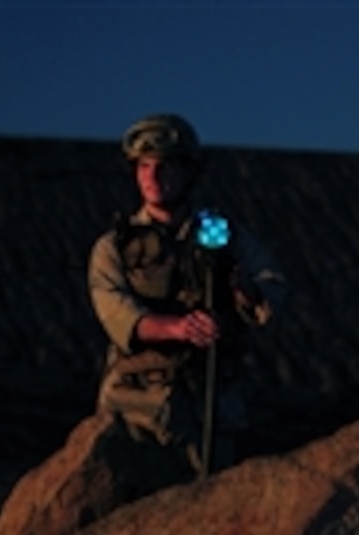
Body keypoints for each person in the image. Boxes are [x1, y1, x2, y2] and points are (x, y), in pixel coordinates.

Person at [88, 113, 286, 484]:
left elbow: (272, 287)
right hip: (135, 409)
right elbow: (116, 312)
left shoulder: (224, 235)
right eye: (144, 166)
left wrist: (245, 293)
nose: (153, 176)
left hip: (211, 406)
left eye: (165, 166)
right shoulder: (113, 246)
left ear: (189, 171)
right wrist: (178, 328)